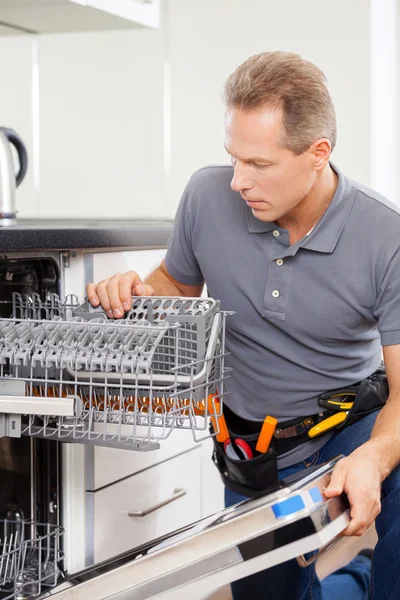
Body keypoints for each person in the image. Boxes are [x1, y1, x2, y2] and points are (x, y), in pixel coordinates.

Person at [87, 51, 400, 600]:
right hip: (254, 446)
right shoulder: (206, 197)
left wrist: (370, 459)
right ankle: (352, 578)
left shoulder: (386, 237)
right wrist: (133, 292)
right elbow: (175, 288)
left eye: (258, 164)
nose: (237, 181)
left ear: (317, 154)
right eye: (233, 158)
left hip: (352, 426)